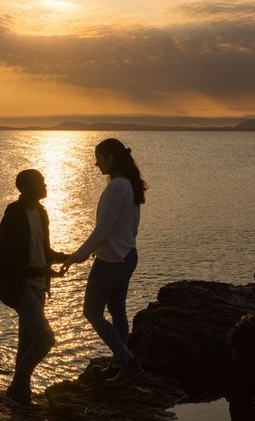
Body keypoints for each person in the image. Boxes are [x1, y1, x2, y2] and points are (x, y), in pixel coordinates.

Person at [63, 138, 147, 386]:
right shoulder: (129, 184)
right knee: (117, 310)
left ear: (111, 158)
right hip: (127, 255)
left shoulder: (117, 187)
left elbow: (103, 229)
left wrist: (78, 254)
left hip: (111, 260)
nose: (96, 163)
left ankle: (128, 362)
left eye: (99, 158)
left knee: (91, 312)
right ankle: (119, 363)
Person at [0, 169, 69, 406]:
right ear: (26, 187)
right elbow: (9, 261)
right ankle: (16, 386)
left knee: (27, 341)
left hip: (37, 285)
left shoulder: (41, 212)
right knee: (45, 339)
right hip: (19, 286)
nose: (46, 186)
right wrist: (41, 271)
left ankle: (21, 395)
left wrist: (68, 256)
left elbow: (43, 251)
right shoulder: (13, 216)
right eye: (41, 183)